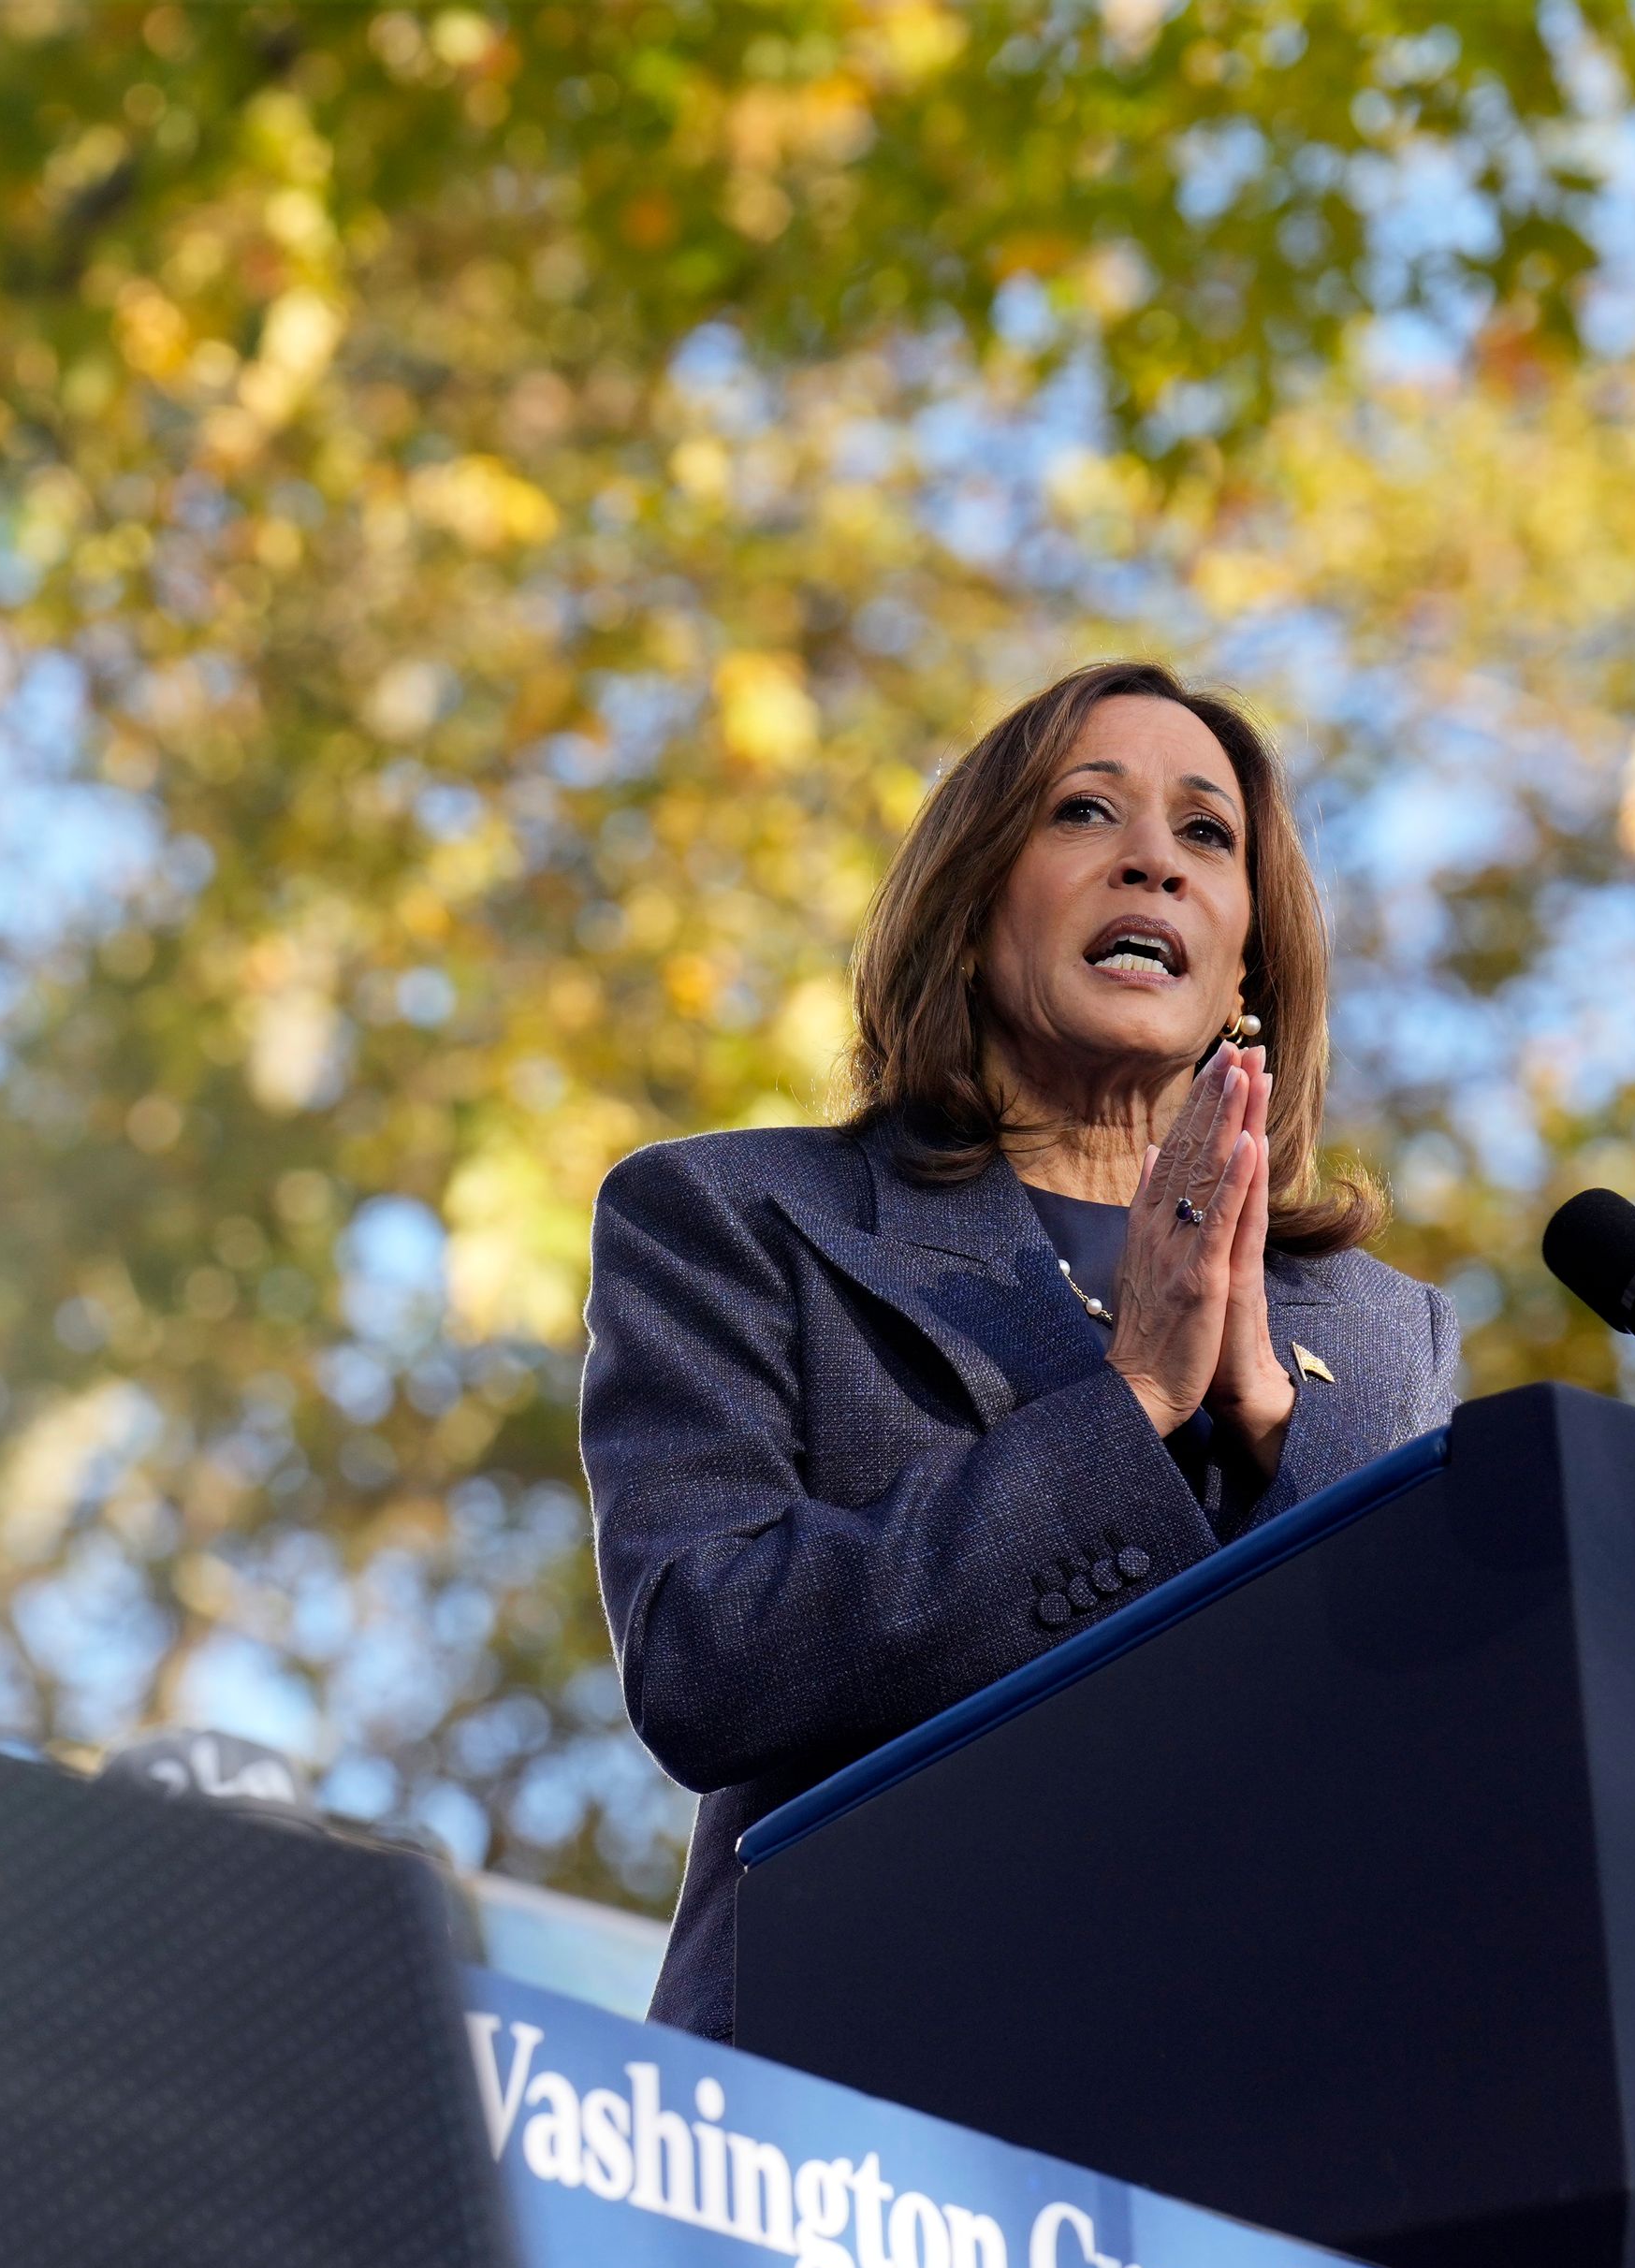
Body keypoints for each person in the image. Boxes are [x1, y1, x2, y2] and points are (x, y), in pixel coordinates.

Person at [580, 660, 1458, 2041]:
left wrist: (1277, 1425)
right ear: (973, 903)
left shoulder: (1383, 1334)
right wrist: (1131, 1406)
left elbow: (1432, 1746)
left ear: (1248, 962)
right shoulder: (734, 1220)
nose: (1153, 864)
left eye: (1205, 834)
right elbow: (710, 1660)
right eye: (1084, 814)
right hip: (865, 2103)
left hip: (1272, 2129)